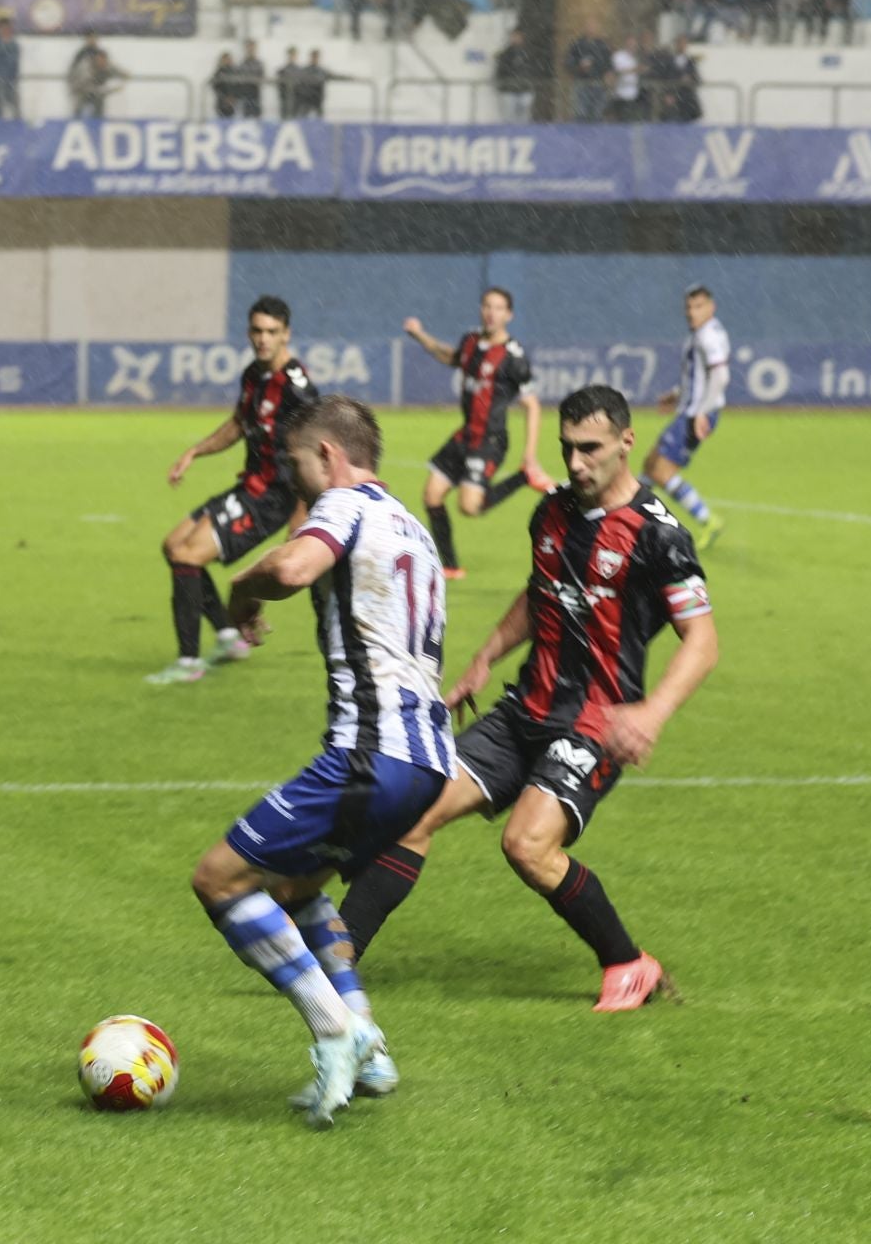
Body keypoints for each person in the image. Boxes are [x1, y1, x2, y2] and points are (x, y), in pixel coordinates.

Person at [339, 384, 720, 1014]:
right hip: (525, 709)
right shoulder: (551, 513)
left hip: (596, 721)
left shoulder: (661, 537)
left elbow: (702, 641)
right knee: (411, 809)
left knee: (527, 845)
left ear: (627, 442)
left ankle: (629, 965)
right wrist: (485, 657)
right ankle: (337, 958)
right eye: (568, 448)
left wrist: (652, 713)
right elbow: (539, 594)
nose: (576, 463)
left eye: (590, 448)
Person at [191, 395, 452, 1128]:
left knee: (218, 879)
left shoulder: (343, 504)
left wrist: (241, 590)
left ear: (331, 457)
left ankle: (333, 1026)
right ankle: (370, 1048)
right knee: (300, 886)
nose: (296, 484)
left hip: (370, 754)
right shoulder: (412, 527)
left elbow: (299, 565)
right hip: (427, 764)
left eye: (299, 465)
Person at [152, 296, 320, 685]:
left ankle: (188, 661)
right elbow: (238, 424)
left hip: (271, 500)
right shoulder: (253, 376)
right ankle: (228, 634)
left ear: (286, 334)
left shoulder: (298, 387)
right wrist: (196, 451)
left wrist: (302, 511)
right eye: (257, 331)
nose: (263, 339)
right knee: (172, 544)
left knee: (186, 556)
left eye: (271, 332)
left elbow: (315, 447)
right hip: (249, 488)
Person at [403, 288, 551, 580]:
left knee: (470, 508)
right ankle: (450, 566)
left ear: (508, 315)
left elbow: (532, 406)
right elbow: (451, 357)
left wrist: (529, 455)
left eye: (498, 308)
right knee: (432, 496)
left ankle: (524, 477)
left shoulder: (513, 357)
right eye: (487, 306)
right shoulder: (470, 340)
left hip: (490, 441)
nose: (491, 313)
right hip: (465, 435)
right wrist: (421, 335)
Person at [643, 287, 729, 550]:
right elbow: (699, 379)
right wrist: (677, 395)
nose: (692, 312)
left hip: (695, 416)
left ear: (711, 307)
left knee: (661, 471)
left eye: (699, 306)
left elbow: (720, 376)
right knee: (651, 464)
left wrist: (702, 411)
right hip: (690, 410)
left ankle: (708, 520)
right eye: (689, 307)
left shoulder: (708, 338)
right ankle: (627, 515)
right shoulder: (705, 333)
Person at [564, 20, 613, 122]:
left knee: (597, 114)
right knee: (581, 114)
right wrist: (579, 66)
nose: (591, 29)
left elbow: (609, 64)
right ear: (585, 28)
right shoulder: (577, 45)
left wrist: (608, 74)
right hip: (582, 84)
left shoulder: (602, 45)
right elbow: (568, 62)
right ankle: (580, 137)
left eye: (594, 27)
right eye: (589, 26)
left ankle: (595, 137)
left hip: (599, 84)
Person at [69, 48, 126, 118]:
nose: (102, 62)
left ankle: (98, 121)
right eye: (100, 59)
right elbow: (87, 87)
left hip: (96, 93)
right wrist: (112, 90)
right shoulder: (86, 68)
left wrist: (123, 74)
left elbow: (114, 70)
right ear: (95, 59)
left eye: (104, 60)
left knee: (99, 103)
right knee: (80, 103)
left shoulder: (106, 66)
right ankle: (76, 119)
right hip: (81, 91)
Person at [494, 28, 534, 123]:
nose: (516, 38)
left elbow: (532, 69)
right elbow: (500, 71)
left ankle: (523, 134)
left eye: (518, 36)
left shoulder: (528, 53)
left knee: (524, 117)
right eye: (514, 36)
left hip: (525, 88)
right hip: (509, 89)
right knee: (509, 116)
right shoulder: (506, 53)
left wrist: (529, 82)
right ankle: (510, 135)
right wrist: (503, 84)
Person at [296, 49, 349, 118]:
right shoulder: (305, 70)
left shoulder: (322, 71)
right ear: (310, 57)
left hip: (318, 99)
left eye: (316, 57)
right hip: (306, 100)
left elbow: (336, 76)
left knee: (319, 118)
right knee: (303, 117)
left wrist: (351, 78)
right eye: (314, 57)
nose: (315, 59)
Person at [0, 17, 21, 119]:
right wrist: (4, 45)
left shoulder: (14, 44)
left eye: (8, 28)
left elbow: (15, 62)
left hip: (11, 79)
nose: (6, 31)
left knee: (14, 104)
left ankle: (17, 124)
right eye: (3, 28)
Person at [235, 40, 265, 118]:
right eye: (249, 48)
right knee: (246, 113)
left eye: (252, 48)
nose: (251, 50)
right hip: (246, 93)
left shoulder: (259, 63)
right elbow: (240, 76)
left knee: (256, 114)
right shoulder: (242, 63)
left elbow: (261, 76)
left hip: (255, 92)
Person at [210, 51, 240, 118]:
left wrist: (234, 97)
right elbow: (215, 87)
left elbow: (238, 86)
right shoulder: (219, 72)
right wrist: (225, 98)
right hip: (221, 103)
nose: (228, 61)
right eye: (226, 59)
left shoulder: (234, 72)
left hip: (233, 104)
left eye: (229, 59)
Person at [277, 46, 302, 118]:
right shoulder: (282, 70)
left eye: (293, 55)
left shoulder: (300, 71)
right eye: (290, 54)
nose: (292, 57)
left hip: (297, 100)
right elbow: (280, 86)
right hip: (285, 100)